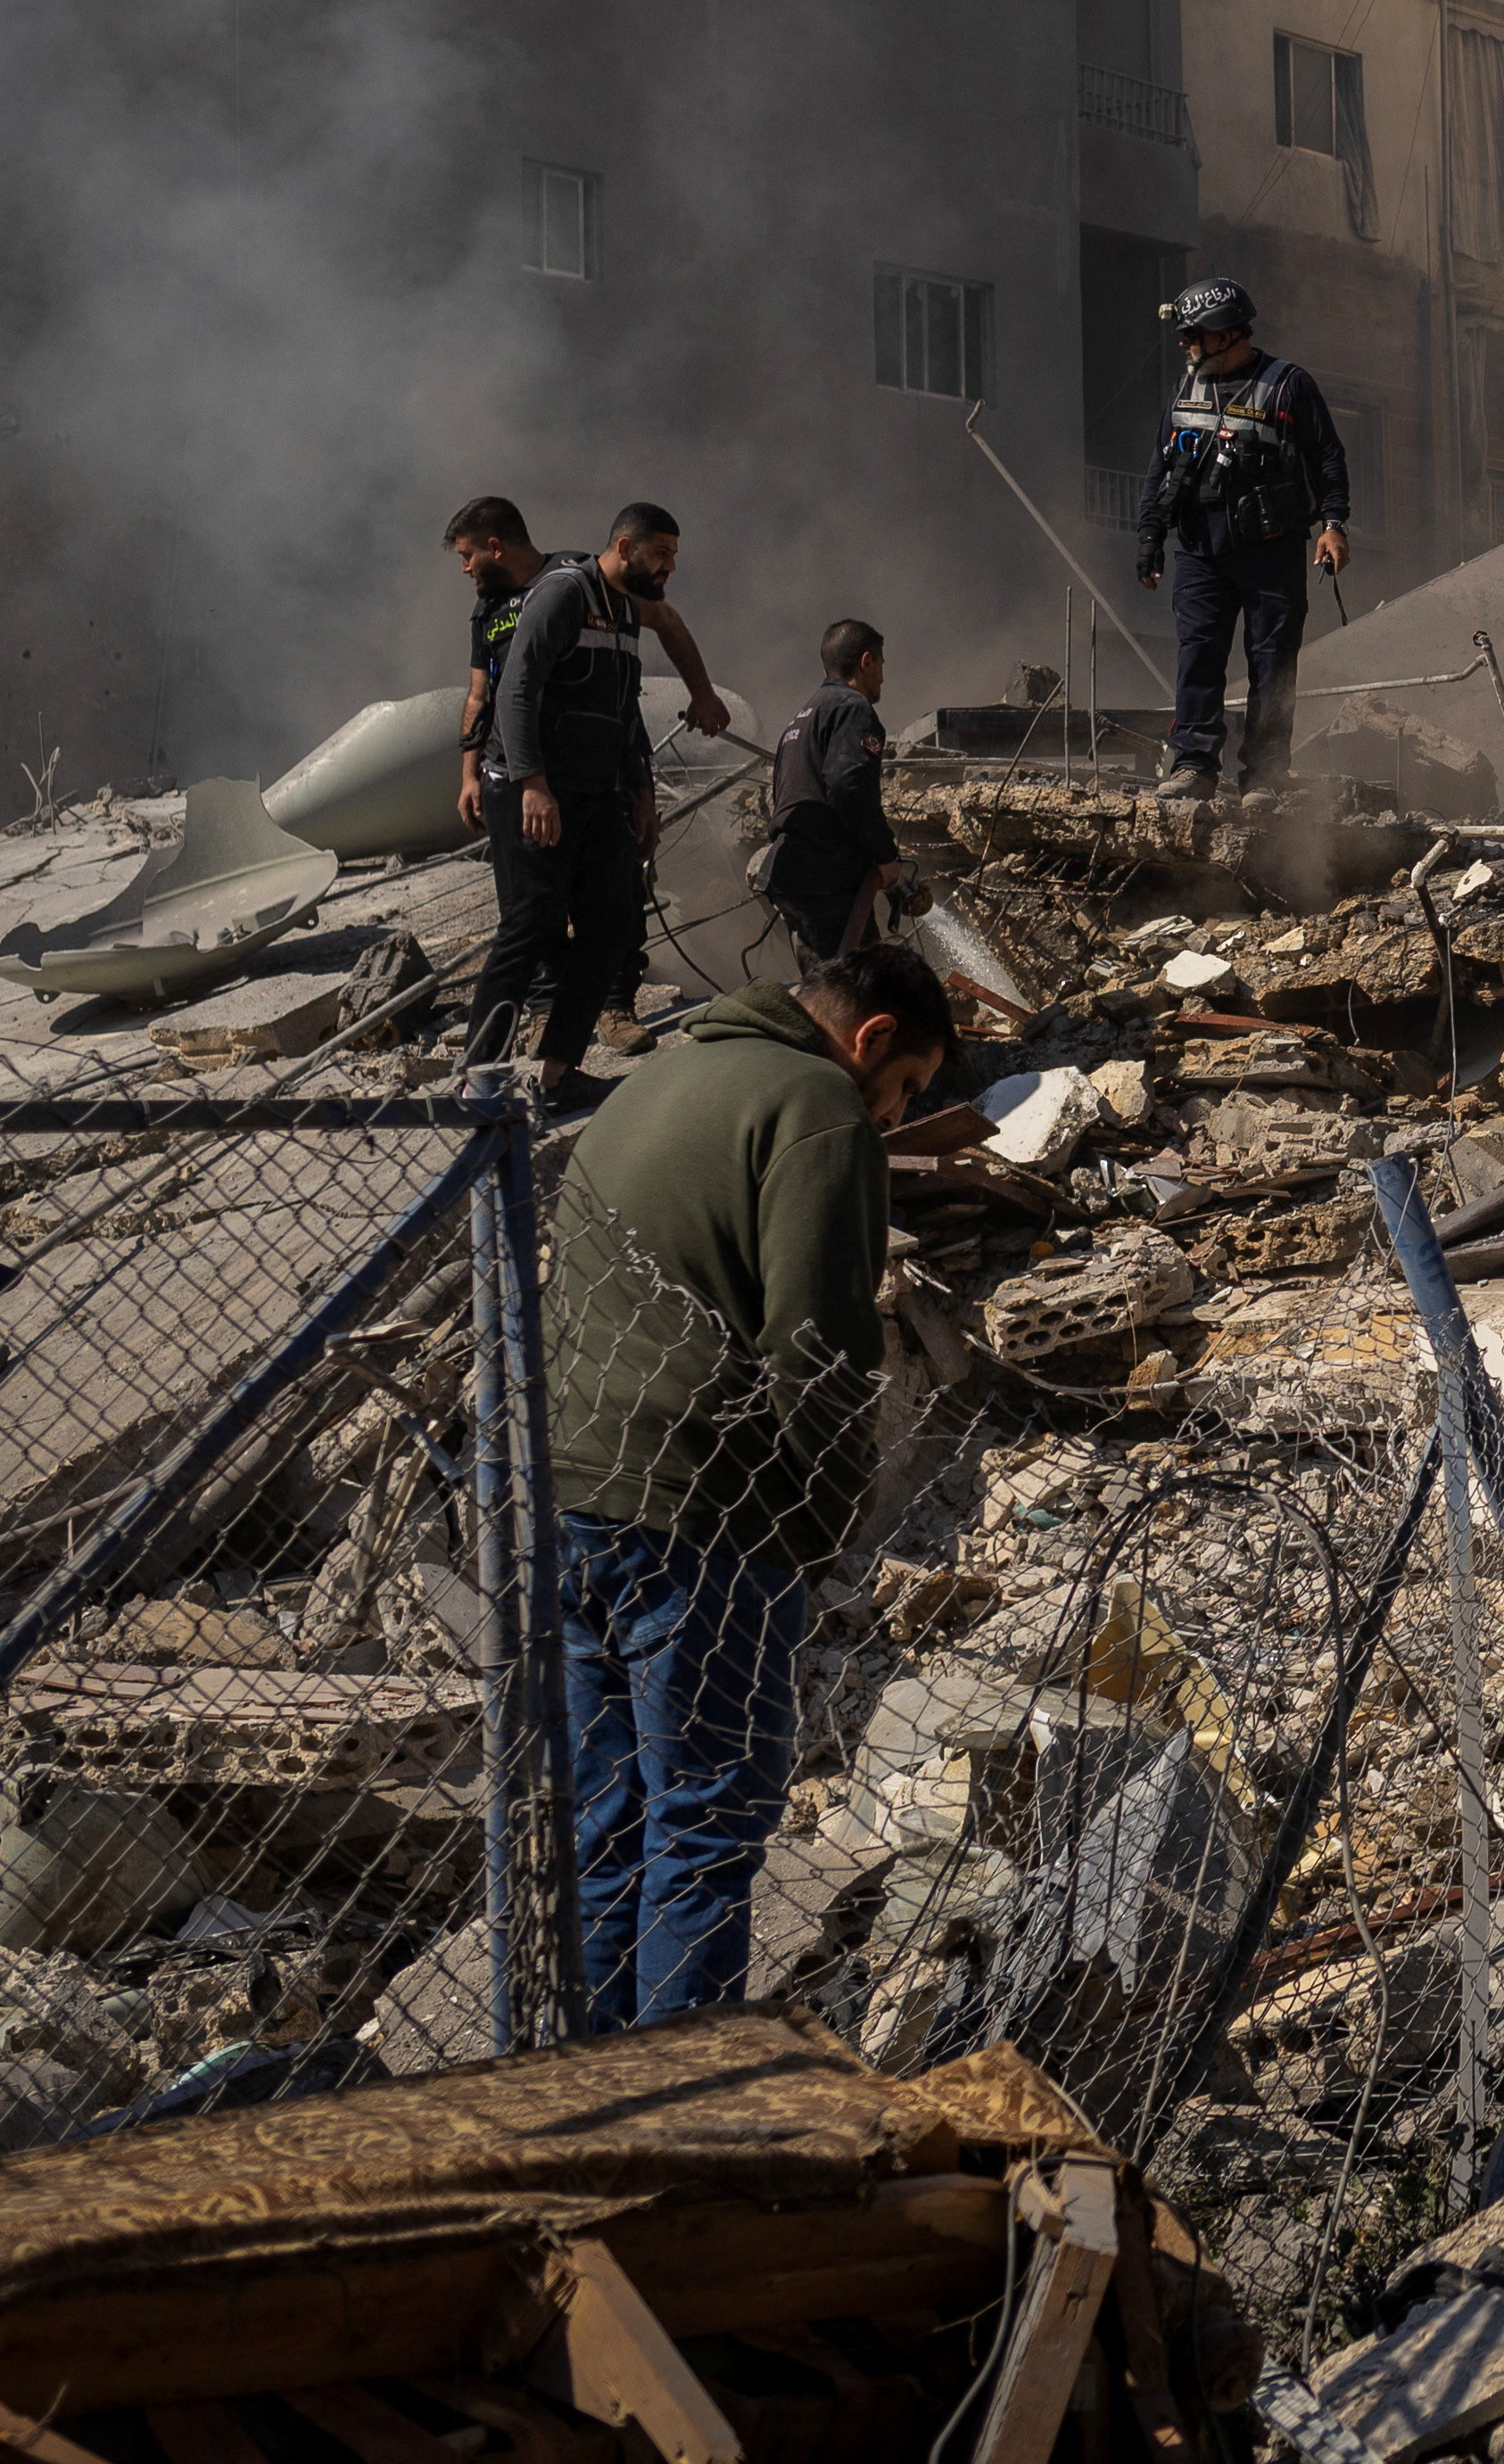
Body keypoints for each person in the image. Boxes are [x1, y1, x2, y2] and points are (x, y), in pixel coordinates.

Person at [544, 941, 949, 2027]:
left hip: (573, 1491)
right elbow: (818, 1352)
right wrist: (816, 1539)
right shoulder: (816, 1104)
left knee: (611, 1822)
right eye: (905, 1088)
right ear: (869, 1041)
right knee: (709, 1822)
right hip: (700, 1507)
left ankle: (588, 2101)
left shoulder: (662, 1076)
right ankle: (686, 2119)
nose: (897, 1118)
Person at [464, 503, 698, 1108]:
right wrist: (533, 785)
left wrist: (642, 795)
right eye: (661, 553)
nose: (670, 566)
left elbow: (623, 715)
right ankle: (480, 1081)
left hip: (597, 794)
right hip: (531, 789)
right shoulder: (563, 593)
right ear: (625, 547)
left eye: (673, 554)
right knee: (531, 925)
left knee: (611, 925)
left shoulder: (625, 612)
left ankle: (557, 1075)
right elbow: (516, 688)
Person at [1128, 276, 1351, 801]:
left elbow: (1328, 459)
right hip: (1201, 554)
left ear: (1226, 335)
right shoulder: (1186, 389)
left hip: (1272, 551)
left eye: (1193, 336)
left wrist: (1334, 525)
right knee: (1198, 658)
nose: (1185, 346)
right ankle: (1194, 767)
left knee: (1272, 662)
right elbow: (1160, 470)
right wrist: (1149, 536)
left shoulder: (1288, 385)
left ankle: (1266, 777)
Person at [449, 497, 729, 838]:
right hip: (524, 780)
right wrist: (469, 777)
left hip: (594, 778)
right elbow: (481, 697)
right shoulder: (487, 612)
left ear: (494, 547)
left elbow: (666, 620)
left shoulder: (578, 582)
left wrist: (702, 695)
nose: (465, 568)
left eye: (467, 555)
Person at [759, 623, 911, 965]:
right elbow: (849, 786)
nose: (883, 679)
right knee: (858, 989)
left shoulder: (802, 719)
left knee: (824, 991)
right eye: (882, 665)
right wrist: (885, 856)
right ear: (866, 661)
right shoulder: (853, 708)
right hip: (827, 878)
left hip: (791, 873)